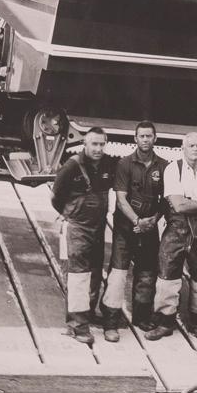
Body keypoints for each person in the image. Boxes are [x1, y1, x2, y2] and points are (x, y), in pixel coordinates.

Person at [146, 133, 197, 342]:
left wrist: (190, 203)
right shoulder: (173, 168)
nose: (195, 149)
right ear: (183, 147)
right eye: (191, 145)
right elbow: (178, 205)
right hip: (176, 228)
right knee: (167, 275)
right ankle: (165, 321)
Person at [100, 122, 167, 341]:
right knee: (118, 275)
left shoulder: (164, 166)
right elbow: (120, 199)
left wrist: (152, 221)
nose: (145, 140)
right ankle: (110, 320)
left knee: (147, 275)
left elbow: (165, 201)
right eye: (141, 136)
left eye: (149, 136)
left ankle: (141, 317)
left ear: (155, 138)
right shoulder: (124, 164)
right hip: (125, 228)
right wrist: (137, 220)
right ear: (135, 139)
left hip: (149, 227)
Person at [50, 126, 115, 346]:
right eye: (94, 144)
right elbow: (56, 197)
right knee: (78, 275)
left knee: (95, 271)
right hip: (78, 227)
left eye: (101, 144)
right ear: (84, 144)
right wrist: (71, 215)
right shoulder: (71, 166)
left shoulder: (107, 164)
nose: (98, 148)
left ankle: (87, 312)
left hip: (97, 227)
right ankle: (77, 325)